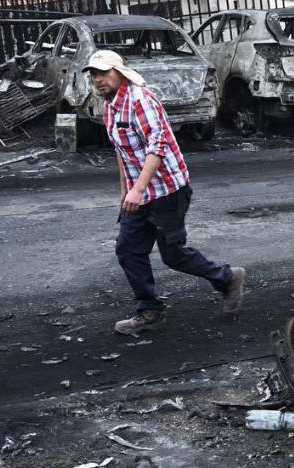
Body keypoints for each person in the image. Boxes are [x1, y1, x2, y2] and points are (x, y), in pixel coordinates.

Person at [84, 49, 244, 335]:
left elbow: (158, 147)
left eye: (104, 73)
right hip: (139, 192)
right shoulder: (109, 106)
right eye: (94, 74)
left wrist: (139, 189)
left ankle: (227, 278)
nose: (98, 80)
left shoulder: (140, 100)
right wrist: (125, 190)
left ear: (119, 72)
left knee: (173, 254)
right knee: (128, 250)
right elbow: (122, 151)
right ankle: (149, 311)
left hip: (167, 191)